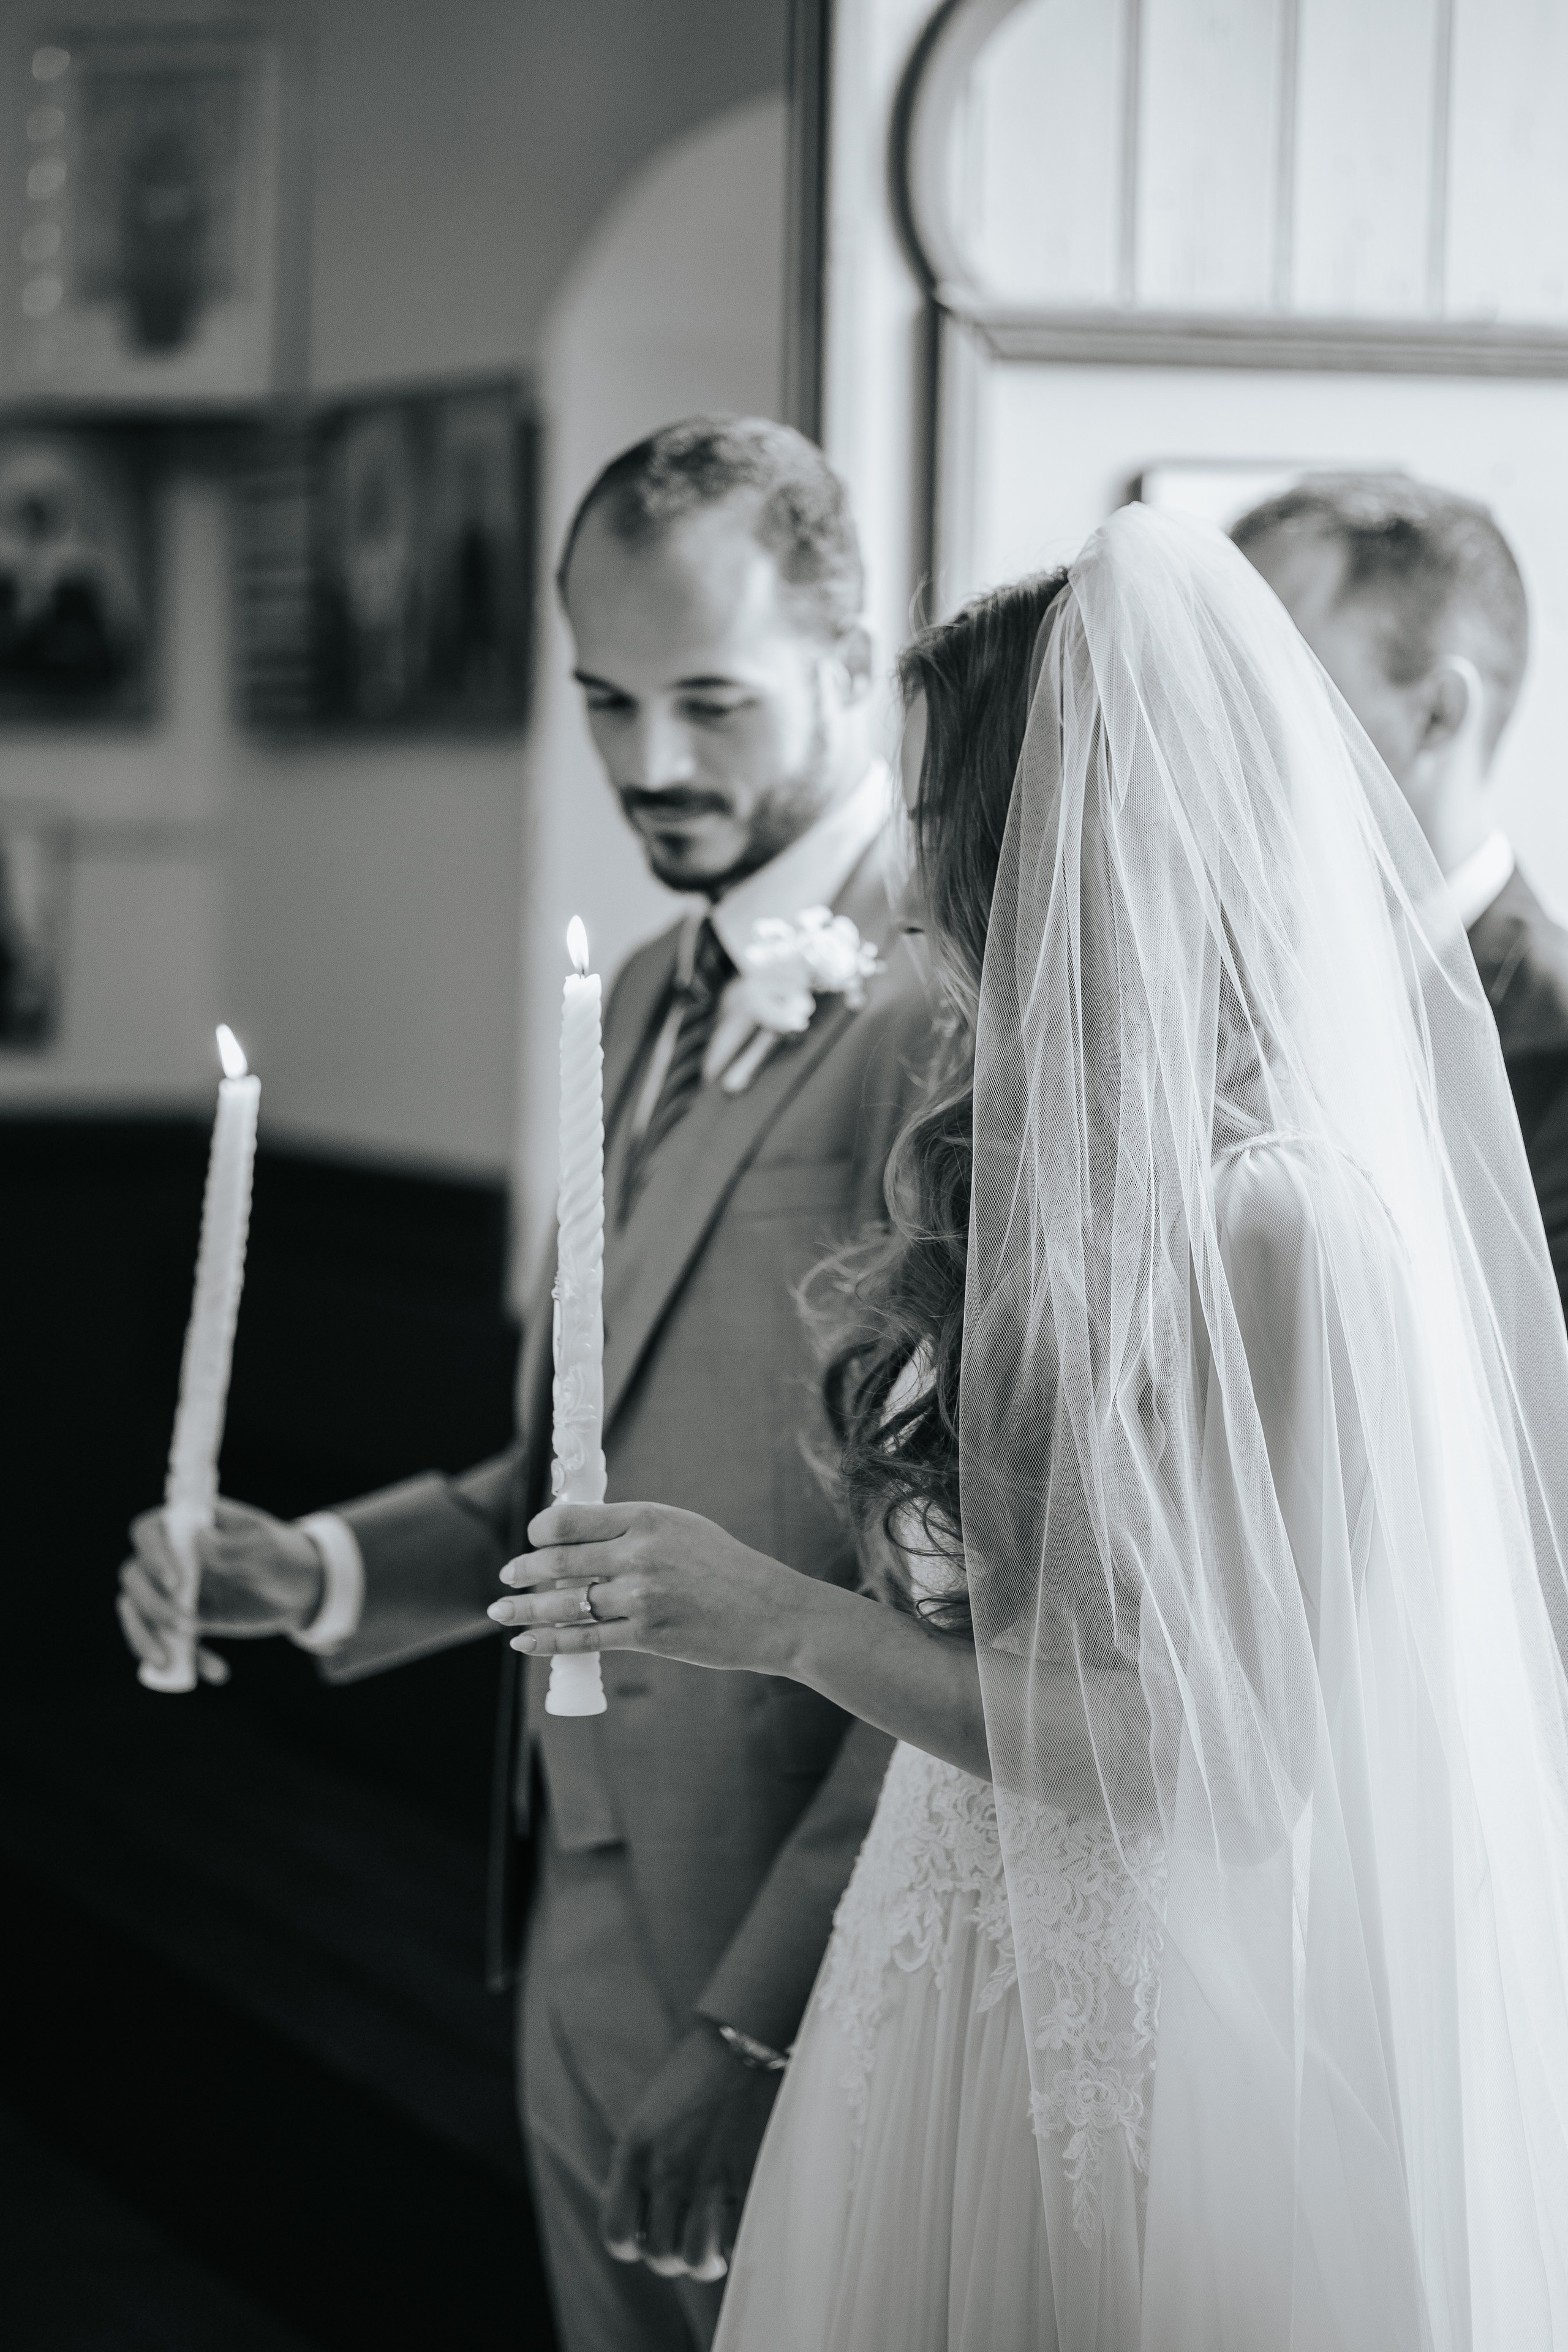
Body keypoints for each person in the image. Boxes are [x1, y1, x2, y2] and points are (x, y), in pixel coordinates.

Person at [497, 507, 1568, 2347]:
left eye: (944, 827)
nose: (916, 898)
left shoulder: (1286, 1222)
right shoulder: (1072, 1185)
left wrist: (784, 1620)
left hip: (1162, 2042)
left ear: (1064, 848)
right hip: (953, 1962)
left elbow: (1217, 1761)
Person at [117, 418, 937, 2352]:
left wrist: (759, 2021)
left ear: (849, 659)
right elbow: (561, 1468)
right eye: (605, 700)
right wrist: (307, 1572)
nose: (648, 765)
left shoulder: (958, 996)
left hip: (801, 1949)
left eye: (710, 703)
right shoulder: (640, 993)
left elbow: (970, 1584)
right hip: (564, 1897)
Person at [1235, 474, 1568, 1314]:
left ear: (1437, 716)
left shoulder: (1555, 1035)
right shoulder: (1219, 1000)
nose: (1227, 736)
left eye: (1278, 688)